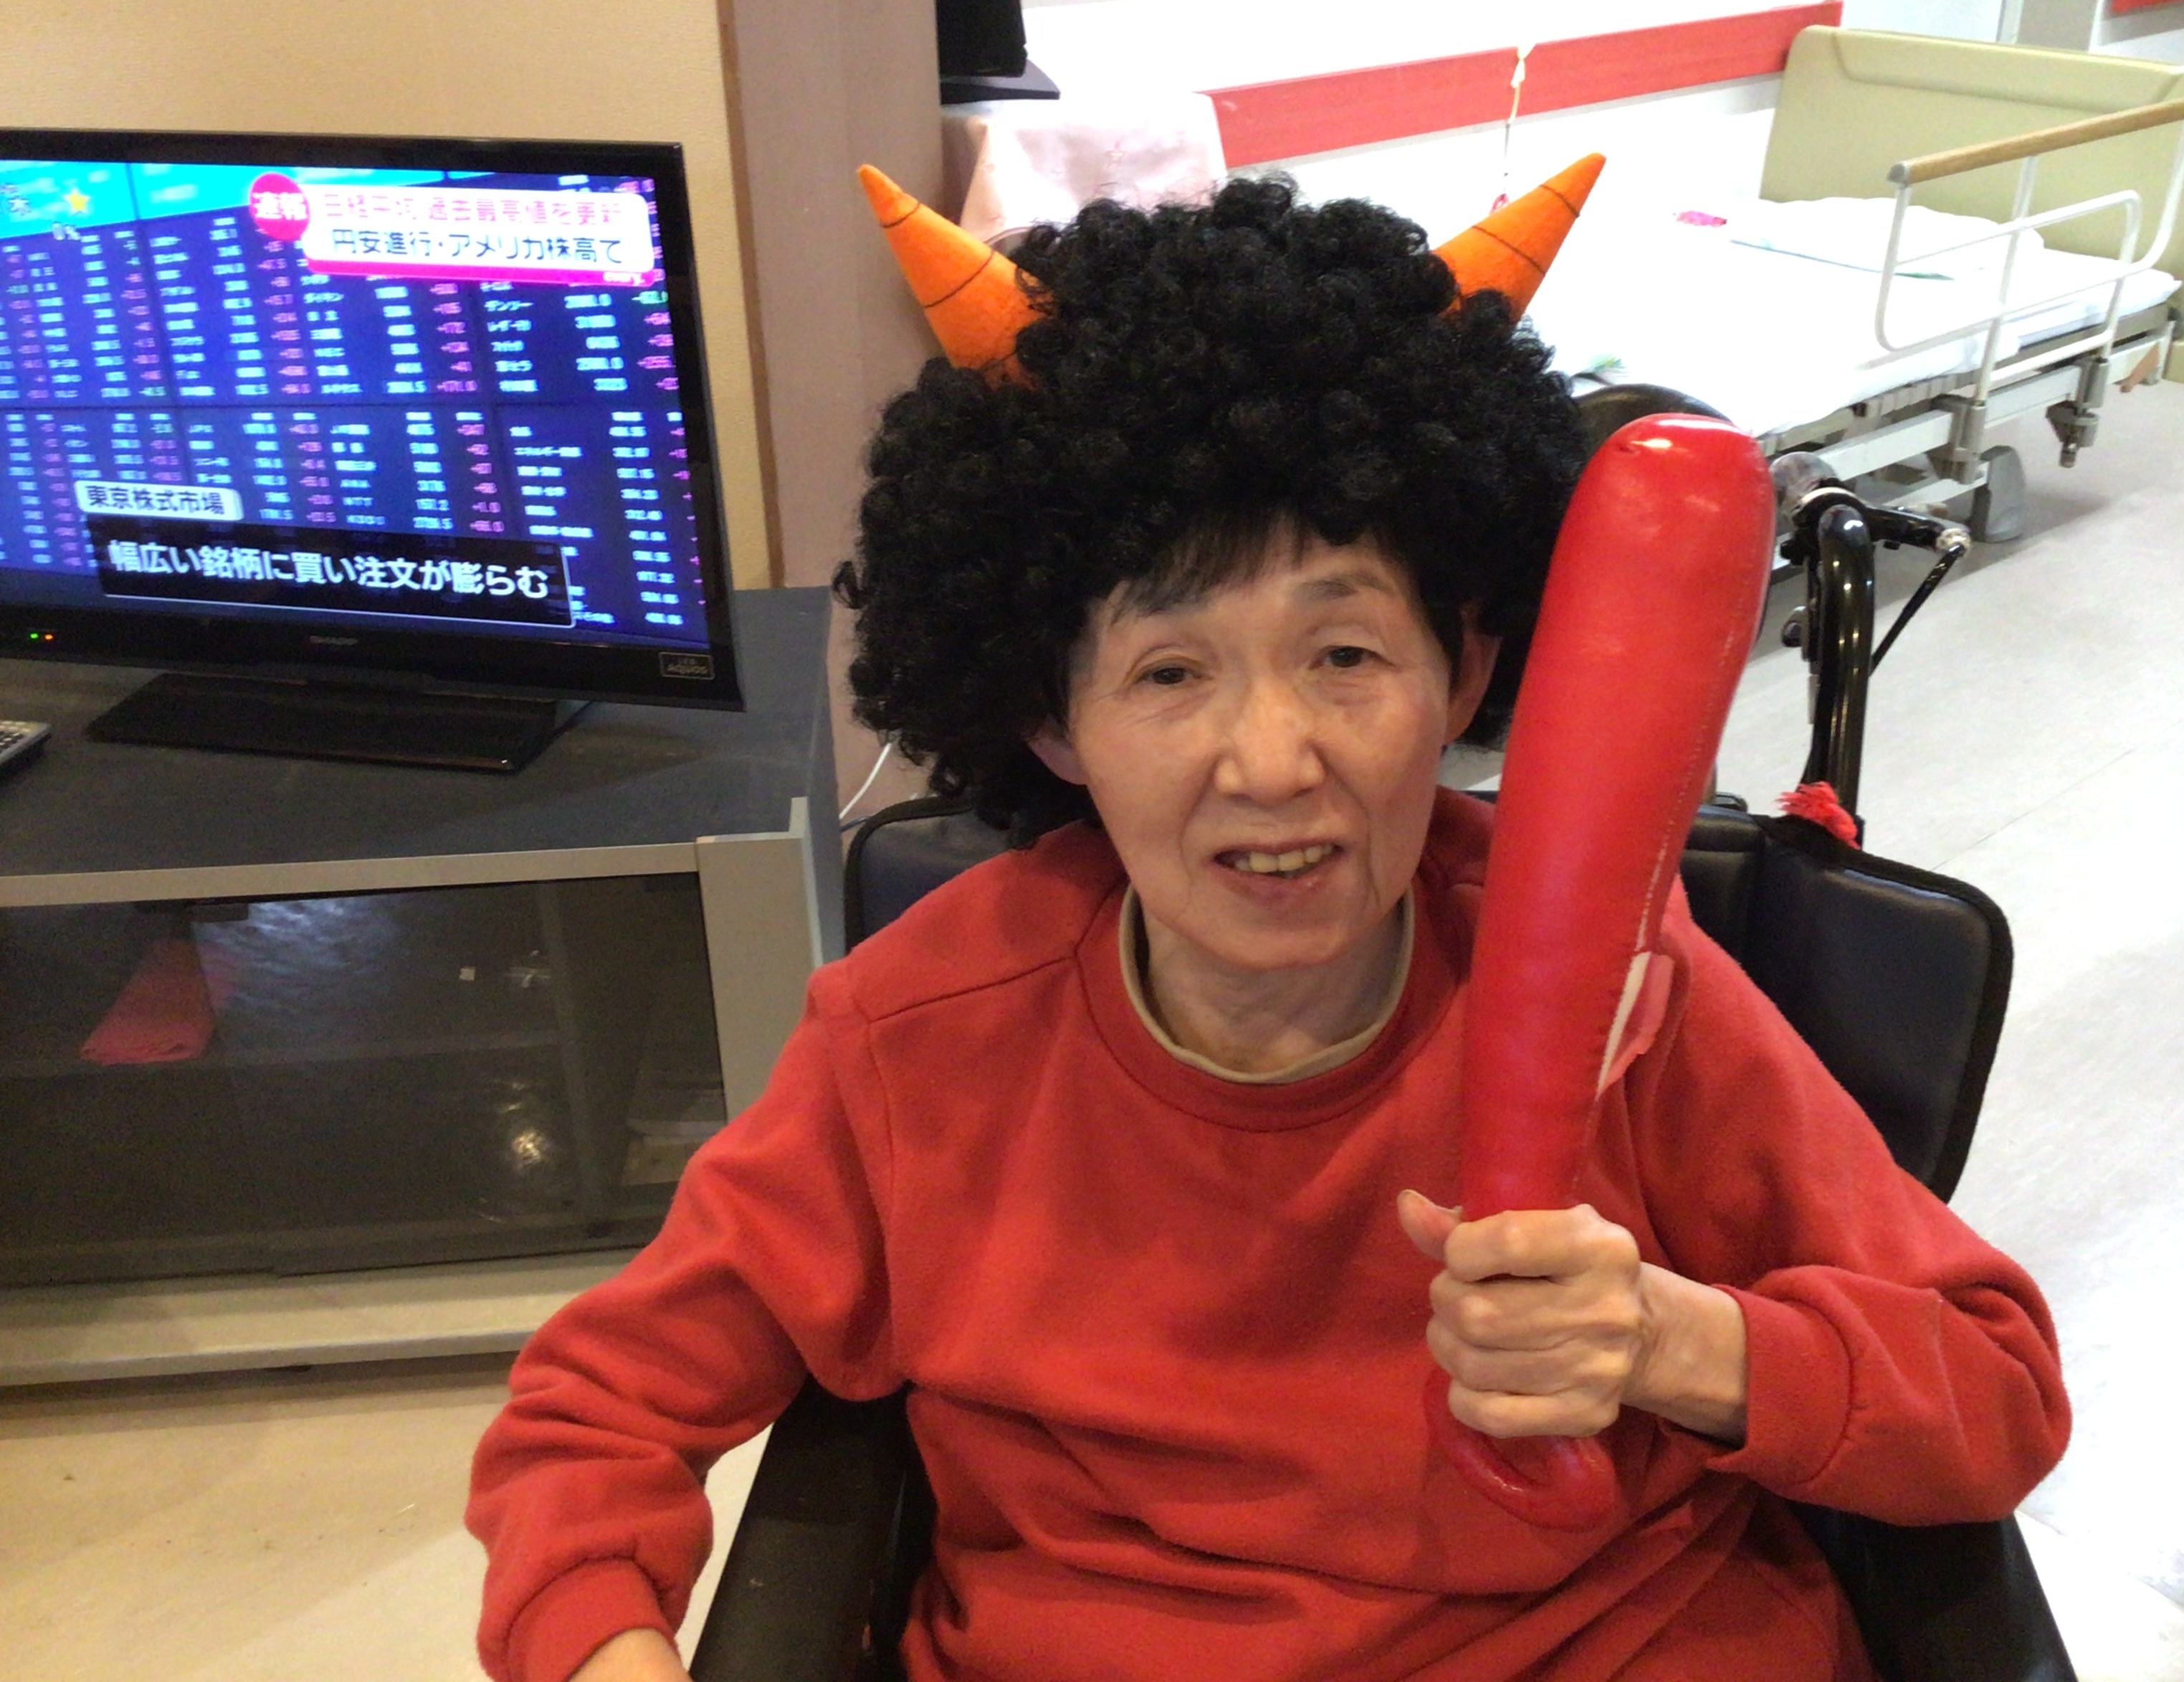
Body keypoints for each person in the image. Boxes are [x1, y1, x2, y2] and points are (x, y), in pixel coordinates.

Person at [467, 171, 2069, 1682]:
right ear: (1051, 717)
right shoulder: (918, 1039)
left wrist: (1677, 1343)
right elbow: (593, 1419)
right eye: (1170, 672)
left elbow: (1994, 1389)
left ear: (1464, 667)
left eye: (1346, 656)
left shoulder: (1624, 988)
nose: (1273, 761)